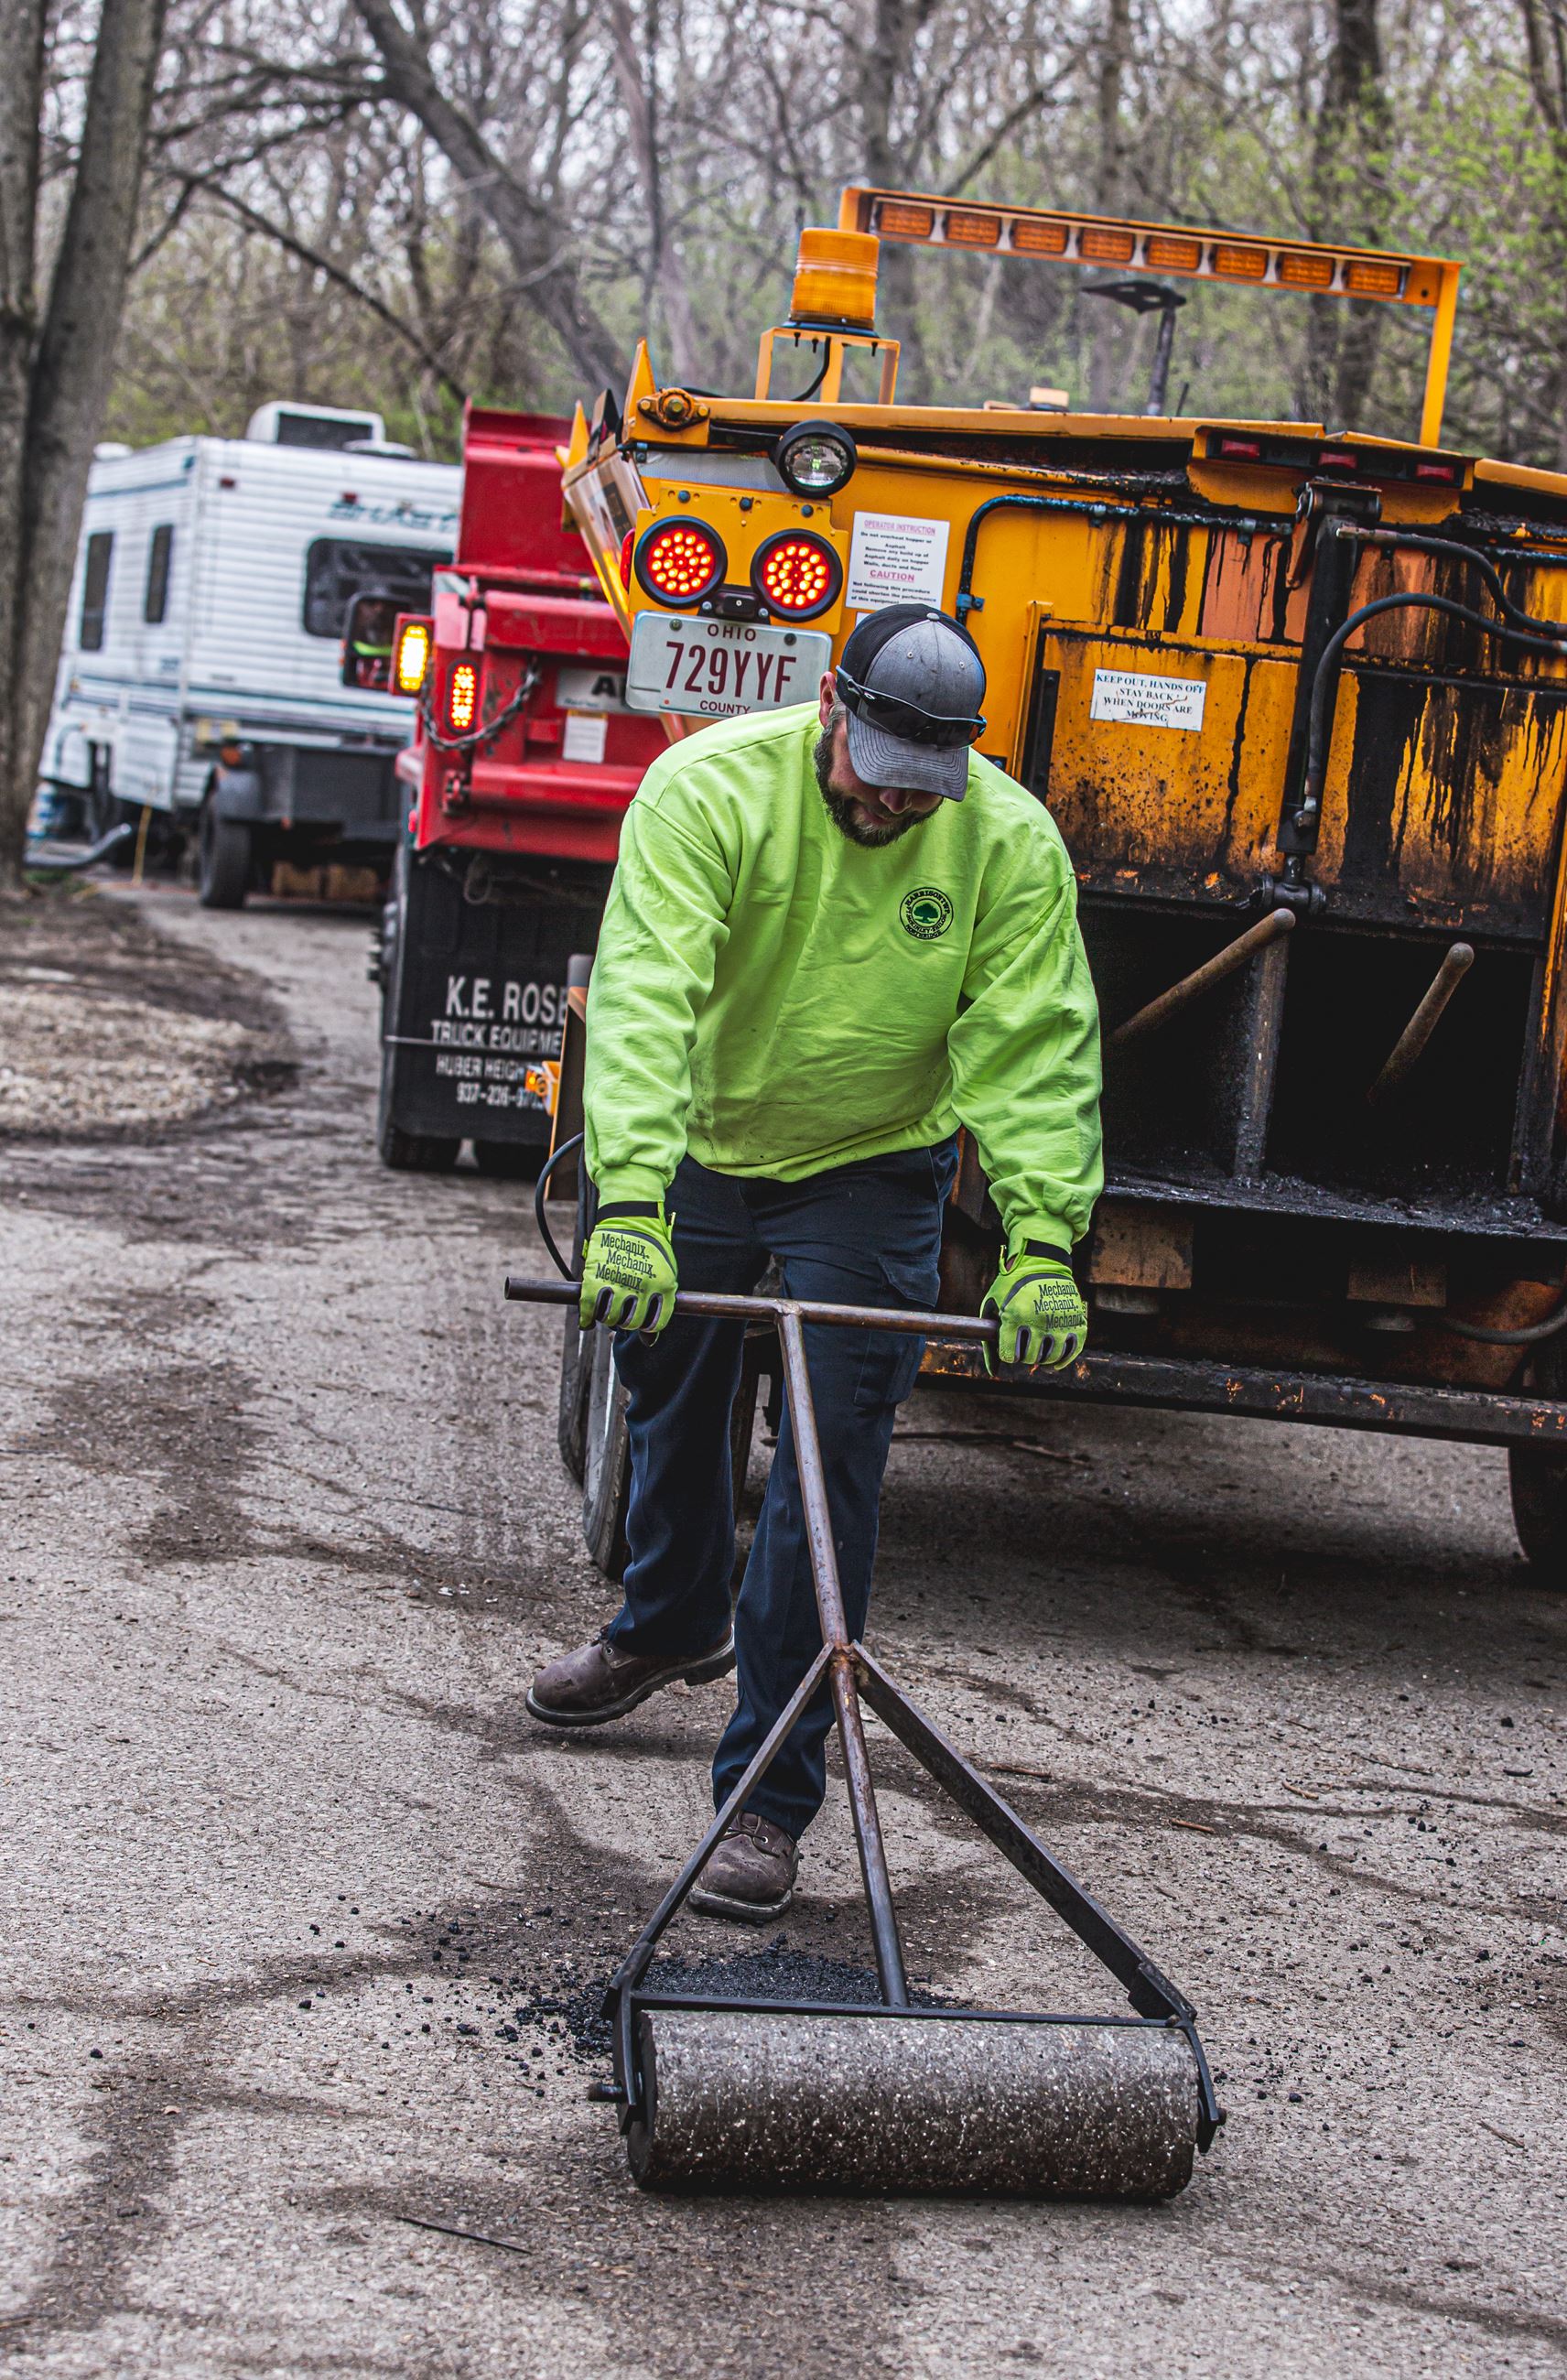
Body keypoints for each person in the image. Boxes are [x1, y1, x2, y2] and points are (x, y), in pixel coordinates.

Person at [527, 604, 1102, 1920]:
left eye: (927, 791)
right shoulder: (707, 792)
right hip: (706, 1135)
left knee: (830, 1468)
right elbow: (645, 998)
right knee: (668, 1376)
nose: (899, 809)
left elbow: (1032, 1048)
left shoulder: (1009, 844)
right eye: (881, 778)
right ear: (834, 708)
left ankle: (766, 1800)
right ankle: (671, 1619)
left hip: (873, 1159)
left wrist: (1042, 1243)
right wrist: (628, 1198)